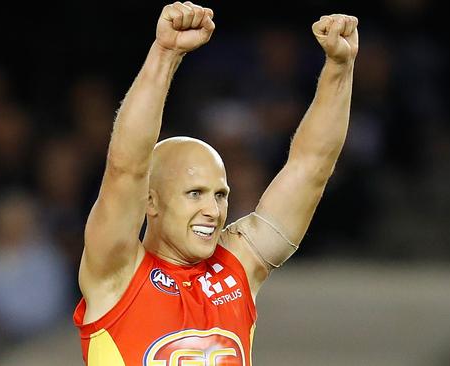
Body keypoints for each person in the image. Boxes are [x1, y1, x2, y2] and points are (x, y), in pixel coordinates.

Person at [73, 2, 359, 364]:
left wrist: (339, 68)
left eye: (220, 195)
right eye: (195, 194)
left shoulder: (238, 263)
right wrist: (165, 54)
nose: (212, 210)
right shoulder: (115, 274)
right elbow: (125, 168)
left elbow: (311, 168)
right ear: (151, 201)